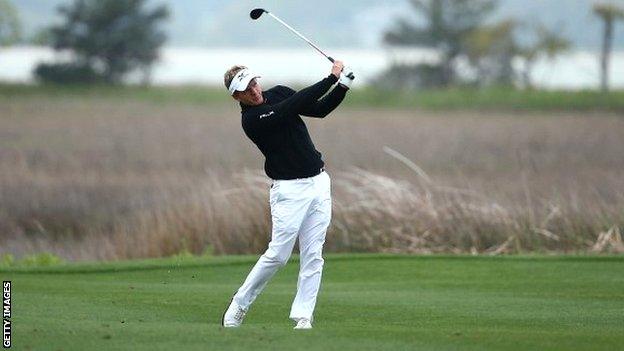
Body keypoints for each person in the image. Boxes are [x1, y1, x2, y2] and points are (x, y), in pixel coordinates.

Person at [221, 61, 354, 330]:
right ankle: (239, 303)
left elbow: (319, 109)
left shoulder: (279, 92)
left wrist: (343, 86)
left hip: (318, 183)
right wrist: (330, 78)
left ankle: (303, 317)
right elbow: (288, 110)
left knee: (313, 255)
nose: (254, 91)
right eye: (246, 89)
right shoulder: (252, 121)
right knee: (278, 255)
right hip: (288, 192)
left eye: (254, 83)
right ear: (237, 96)